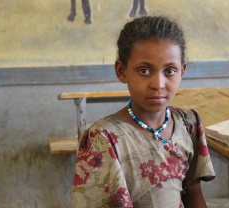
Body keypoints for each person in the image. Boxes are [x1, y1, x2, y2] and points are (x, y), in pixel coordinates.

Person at [71, 15, 215, 208]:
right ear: (122, 71)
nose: (158, 84)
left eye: (170, 71)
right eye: (144, 71)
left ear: (182, 70)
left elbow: (193, 193)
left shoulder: (188, 124)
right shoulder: (103, 139)